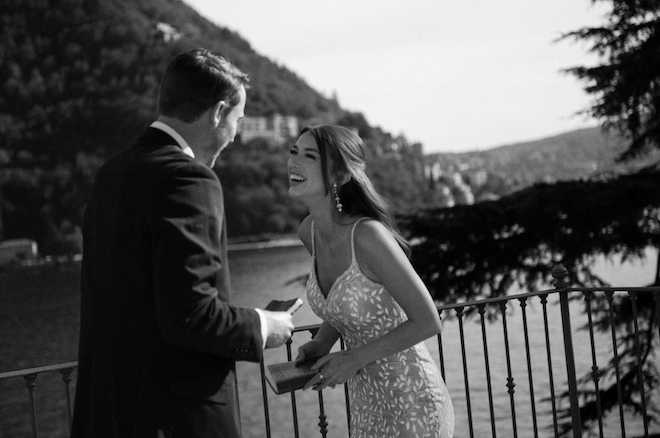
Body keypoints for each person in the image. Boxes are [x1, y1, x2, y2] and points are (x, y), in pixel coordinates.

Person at [70, 48, 295, 438]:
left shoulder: (113, 172)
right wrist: (263, 325)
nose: (236, 136)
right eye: (238, 120)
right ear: (218, 112)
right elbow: (189, 315)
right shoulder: (188, 179)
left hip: (109, 414)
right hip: (175, 421)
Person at [289, 125, 455, 438]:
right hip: (366, 403)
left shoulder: (368, 236)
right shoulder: (308, 231)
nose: (294, 162)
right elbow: (345, 300)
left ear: (339, 176)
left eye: (309, 156)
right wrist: (322, 342)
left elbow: (428, 321)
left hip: (414, 400)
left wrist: (353, 359)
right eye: (294, 152)